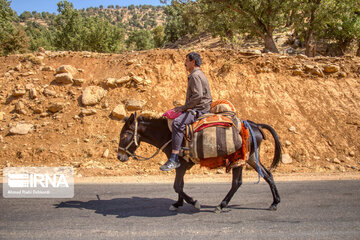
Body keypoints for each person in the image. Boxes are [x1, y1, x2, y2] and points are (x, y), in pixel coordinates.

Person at [160, 52, 212, 171]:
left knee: (177, 123)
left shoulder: (194, 75)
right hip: (200, 107)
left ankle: (174, 158)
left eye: (187, 61)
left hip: (200, 110)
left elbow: (198, 95)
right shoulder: (200, 74)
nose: (185, 64)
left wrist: (184, 108)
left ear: (193, 62)